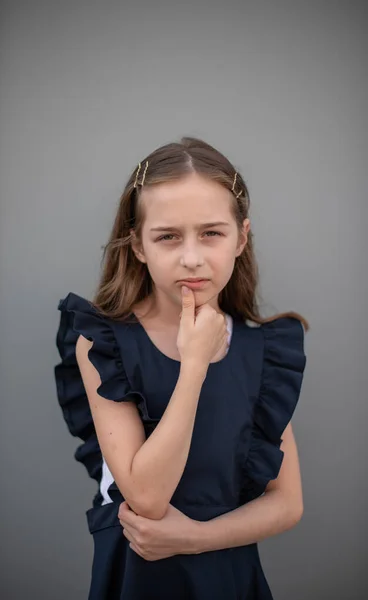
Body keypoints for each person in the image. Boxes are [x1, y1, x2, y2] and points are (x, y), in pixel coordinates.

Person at [54, 136, 308, 600]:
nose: (191, 257)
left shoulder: (260, 351)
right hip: (137, 578)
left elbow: (287, 503)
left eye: (211, 233)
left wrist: (194, 538)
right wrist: (193, 366)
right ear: (138, 246)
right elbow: (148, 498)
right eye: (168, 236)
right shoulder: (104, 342)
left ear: (241, 238)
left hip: (229, 576)